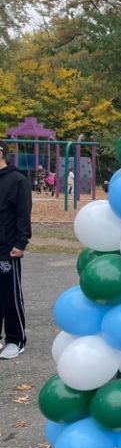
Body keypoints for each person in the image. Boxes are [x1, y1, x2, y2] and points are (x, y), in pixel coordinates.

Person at [0, 142, 32, 360]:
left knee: (9, 296)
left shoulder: (17, 180)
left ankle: (15, 339)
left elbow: (23, 215)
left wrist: (21, 243)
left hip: (6, 249)